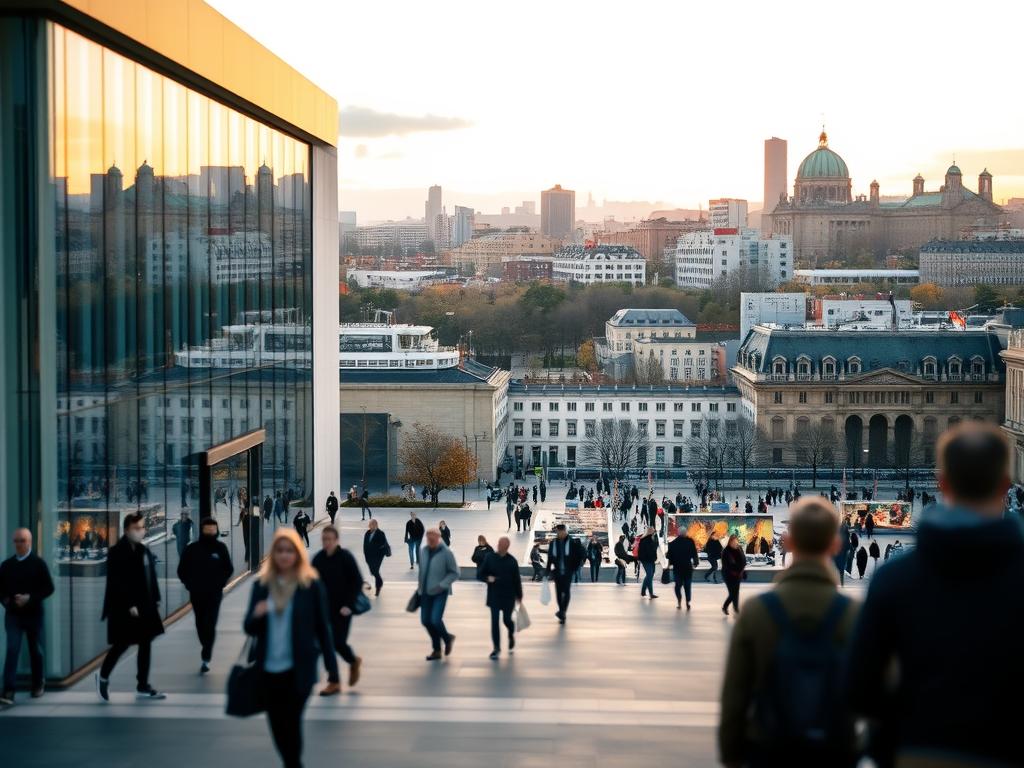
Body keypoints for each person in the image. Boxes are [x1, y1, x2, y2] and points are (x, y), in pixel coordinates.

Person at [846, 423, 1024, 768]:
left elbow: (859, 688)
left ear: (942, 483)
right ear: (1005, 485)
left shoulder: (894, 580)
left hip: (919, 750)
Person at [719, 497, 858, 768]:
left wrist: (733, 755)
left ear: (789, 542)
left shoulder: (756, 612)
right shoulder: (854, 615)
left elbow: (735, 695)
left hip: (770, 749)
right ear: (836, 544)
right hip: (833, 752)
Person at [244, 529, 337, 768]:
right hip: (268, 671)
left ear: (297, 554)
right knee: (278, 727)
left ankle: (293, 764)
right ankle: (292, 763)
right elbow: (249, 627)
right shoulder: (262, 586)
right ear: (273, 554)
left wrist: (332, 671)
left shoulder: (310, 586)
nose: (285, 555)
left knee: (292, 724)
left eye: (289, 551)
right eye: (280, 550)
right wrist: (257, 614)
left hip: (299, 670)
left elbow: (323, 629)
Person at [96, 513, 166, 701]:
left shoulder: (143, 550)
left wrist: (156, 599)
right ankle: (103, 676)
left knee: (145, 644)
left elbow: (150, 577)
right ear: (126, 530)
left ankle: (142, 684)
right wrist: (130, 604)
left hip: (145, 606)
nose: (141, 531)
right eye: (137, 528)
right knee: (121, 644)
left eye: (142, 528)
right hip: (124, 608)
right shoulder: (116, 552)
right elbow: (117, 583)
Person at [1, 528, 54, 704]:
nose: (18, 544)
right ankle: (8, 690)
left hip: (33, 614)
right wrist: (8, 601)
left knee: (35, 650)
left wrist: (29, 598)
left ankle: (38, 683)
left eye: (22, 540)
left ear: (29, 542)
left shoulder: (38, 564)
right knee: (12, 648)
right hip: (14, 615)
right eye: (16, 541)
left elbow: (48, 588)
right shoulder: (7, 565)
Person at [176, 517, 233, 674]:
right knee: (200, 623)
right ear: (202, 530)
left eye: (213, 529)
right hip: (196, 593)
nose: (210, 532)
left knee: (211, 623)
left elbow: (228, 568)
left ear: (217, 530)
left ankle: (206, 655)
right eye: (207, 529)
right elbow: (182, 570)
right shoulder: (192, 549)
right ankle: (205, 644)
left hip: (214, 593)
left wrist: (221, 583)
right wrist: (189, 584)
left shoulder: (221, 548)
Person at [312, 526, 364, 694]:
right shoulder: (318, 559)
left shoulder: (345, 557)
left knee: (338, 642)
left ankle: (353, 661)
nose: (326, 542)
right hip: (322, 610)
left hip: (343, 610)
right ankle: (333, 681)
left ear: (336, 540)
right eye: (324, 539)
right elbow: (311, 584)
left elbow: (357, 582)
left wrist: (348, 605)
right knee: (326, 644)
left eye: (329, 539)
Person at [416, 528, 459, 661]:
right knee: (425, 621)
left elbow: (454, 572)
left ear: (438, 537)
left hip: (440, 592)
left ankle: (439, 647)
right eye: (428, 538)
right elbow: (422, 571)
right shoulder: (423, 551)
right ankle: (443, 643)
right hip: (425, 592)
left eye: (432, 538)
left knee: (435, 619)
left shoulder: (447, 553)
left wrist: (442, 585)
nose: (430, 540)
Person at [478, 536, 523, 659]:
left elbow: (517, 580)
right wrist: (488, 578)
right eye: (499, 544)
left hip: (508, 596)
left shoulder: (512, 561)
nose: (499, 547)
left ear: (507, 547)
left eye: (502, 545)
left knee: (507, 620)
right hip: (494, 596)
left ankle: (510, 632)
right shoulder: (490, 557)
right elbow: (480, 574)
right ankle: (496, 648)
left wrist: (519, 596)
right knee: (495, 622)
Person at [546, 524, 584, 624]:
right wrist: (548, 570)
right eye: (557, 532)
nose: (559, 534)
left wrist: (574, 568)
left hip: (568, 571)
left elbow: (579, 555)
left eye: (560, 532)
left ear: (564, 531)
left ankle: (563, 612)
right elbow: (550, 557)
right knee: (558, 592)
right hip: (557, 571)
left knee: (566, 590)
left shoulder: (572, 542)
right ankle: (562, 611)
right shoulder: (553, 543)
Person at [667, 527, 699, 610]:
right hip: (687, 568)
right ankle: (687, 602)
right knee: (687, 586)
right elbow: (694, 553)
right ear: (685, 533)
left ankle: (679, 600)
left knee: (678, 586)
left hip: (677, 568)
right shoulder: (690, 542)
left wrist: (669, 564)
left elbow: (669, 556)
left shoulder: (673, 543)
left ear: (678, 533)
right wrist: (695, 563)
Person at [362, 519, 389, 596]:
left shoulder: (380, 533)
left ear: (376, 525)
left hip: (378, 557)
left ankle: (378, 587)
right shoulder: (367, 533)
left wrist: (376, 552)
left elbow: (382, 545)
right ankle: (380, 582)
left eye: (371, 525)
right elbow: (365, 545)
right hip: (369, 556)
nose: (369, 526)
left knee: (375, 571)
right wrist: (366, 555)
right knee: (373, 571)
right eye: (369, 524)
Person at [721, 534, 745, 616]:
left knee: (736, 592)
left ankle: (736, 608)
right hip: (729, 575)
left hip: (738, 575)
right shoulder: (726, 551)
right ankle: (725, 606)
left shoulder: (739, 549)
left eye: (736, 541)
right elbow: (726, 565)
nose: (735, 543)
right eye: (733, 541)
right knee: (733, 593)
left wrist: (741, 570)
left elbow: (743, 560)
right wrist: (733, 571)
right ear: (730, 541)